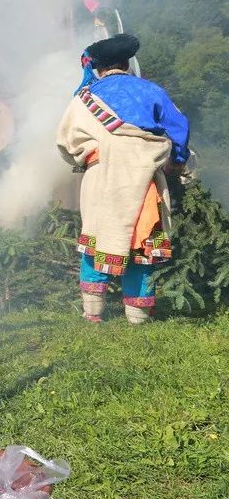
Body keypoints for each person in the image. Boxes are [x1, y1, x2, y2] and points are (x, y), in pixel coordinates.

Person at [56, 33, 190, 324]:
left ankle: (93, 314)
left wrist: (86, 158)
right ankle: (138, 318)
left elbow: (66, 142)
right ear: (127, 63)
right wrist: (175, 164)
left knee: (97, 240)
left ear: (98, 67)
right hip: (143, 179)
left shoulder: (84, 98)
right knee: (142, 244)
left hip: (100, 176)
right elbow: (179, 128)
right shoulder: (152, 91)